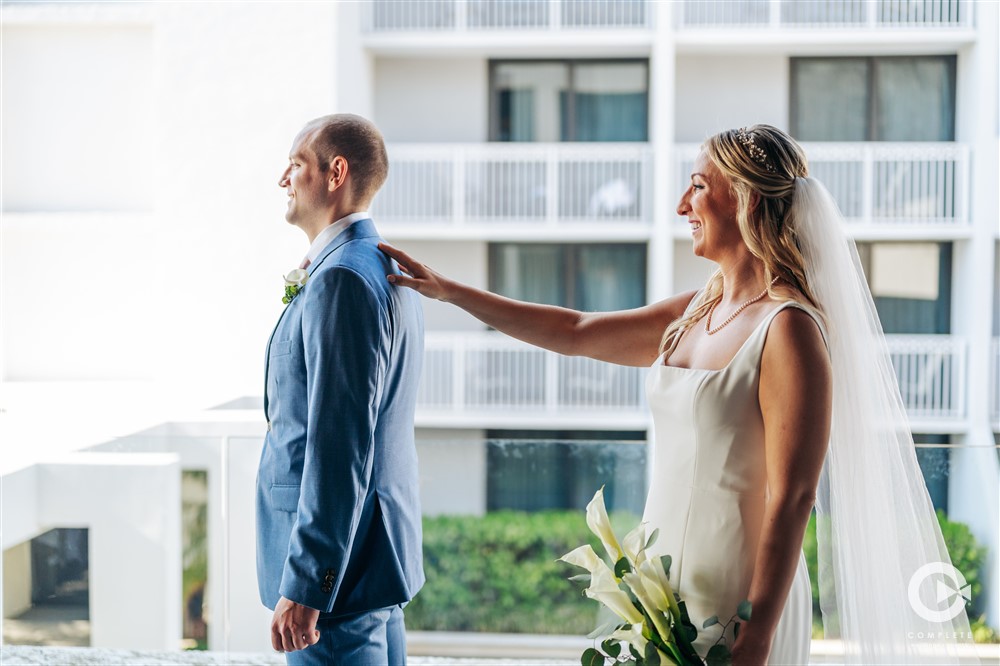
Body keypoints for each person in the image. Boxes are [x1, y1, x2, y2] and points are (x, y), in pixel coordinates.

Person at [380, 125, 977, 664]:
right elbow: (576, 330)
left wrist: (757, 633)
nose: (681, 206)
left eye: (697, 187)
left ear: (744, 199)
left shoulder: (789, 328)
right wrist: (450, 291)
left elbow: (793, 497)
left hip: (738, 597)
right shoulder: (697, 309)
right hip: (659, 587)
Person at [257, 113, 424, 665]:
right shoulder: (378, 264)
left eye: (296, 164)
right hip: (370, 566)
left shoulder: (341, 278)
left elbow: (340, 443)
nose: (283, 178)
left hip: (337, 588)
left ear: (336, 173)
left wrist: (309, 584)